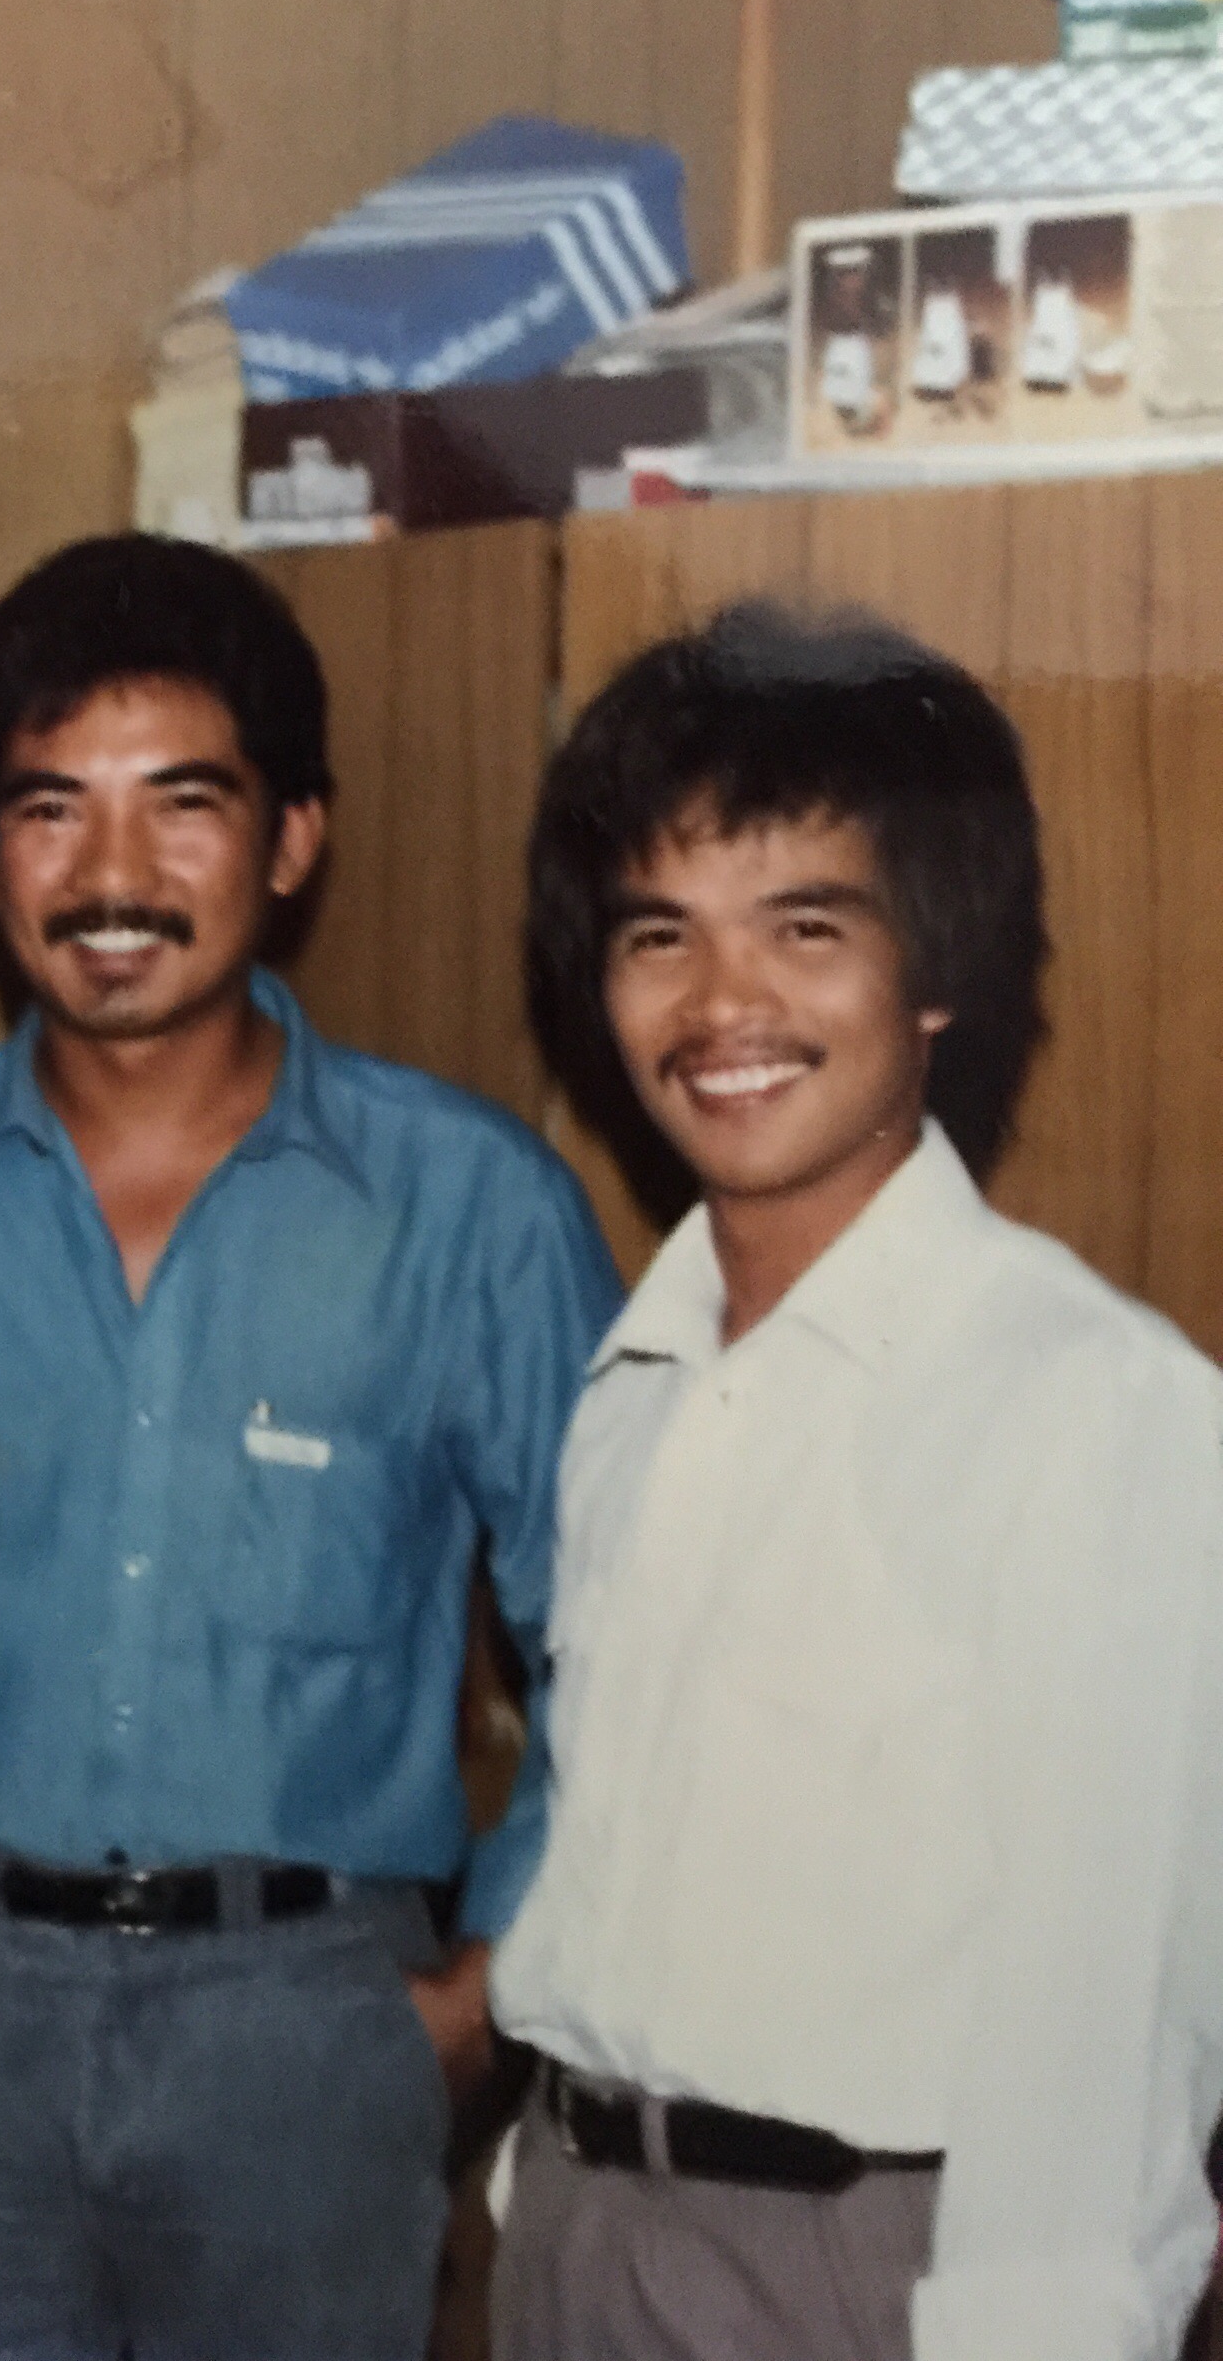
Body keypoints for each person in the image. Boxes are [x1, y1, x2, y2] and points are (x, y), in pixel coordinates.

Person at [0, 532, 624, 2361]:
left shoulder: (471, 1209)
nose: (113, 876)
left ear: (292, 838)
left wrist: (482, 1994)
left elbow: (623, 1633)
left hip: (313, 2035)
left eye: (184, 804)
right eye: (51, 810)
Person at [489, 603, 1223, 2361]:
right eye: (659, 934)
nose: (722, 1004)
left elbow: (1105, 2026)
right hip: (577, 2237)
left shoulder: (1097, 1410)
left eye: (806, 928)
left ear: (937, 969)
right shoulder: (632, 1393)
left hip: (866, 2271)